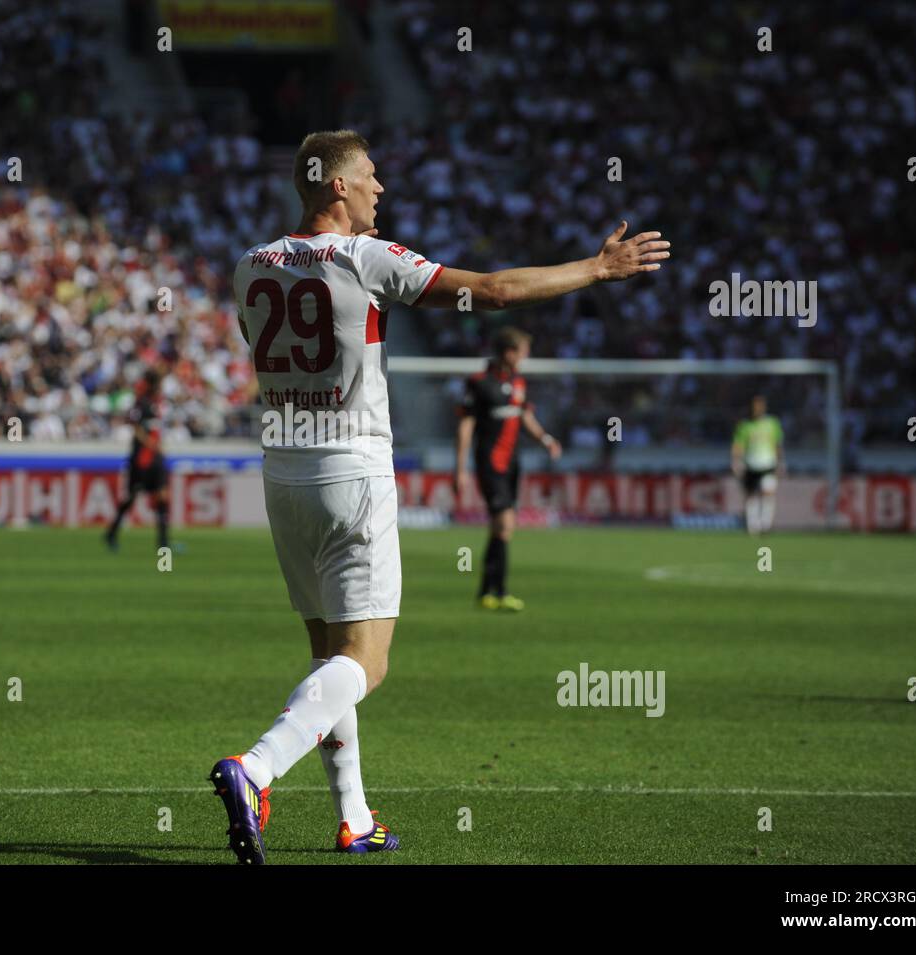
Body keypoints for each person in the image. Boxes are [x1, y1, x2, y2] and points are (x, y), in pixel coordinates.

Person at [212, 129, 669, 864]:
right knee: (368, 660)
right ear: (335, 186)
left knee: (329, 656)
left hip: (284, 474)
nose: (380, 189)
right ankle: (256, 767)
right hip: (350, 469)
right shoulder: (364, 258)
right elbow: (489, 292)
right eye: (369, 176)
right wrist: (594, 268)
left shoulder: (248, 265)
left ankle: (354, 816)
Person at [455, 328, 562, 611]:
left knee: (501, 528)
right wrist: (460, 469)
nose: (525, 357)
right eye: (523, 351)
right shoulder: (479, 383)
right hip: (489, 462)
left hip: (513, 463)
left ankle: (485, 592)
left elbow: (525, 416)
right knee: (504, 524)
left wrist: (546, 440)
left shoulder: (518, 382)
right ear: (508, 353)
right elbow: (466, 426)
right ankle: (500, 592)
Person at [105, 369, 170, 552]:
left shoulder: (157, 404)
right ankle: (112, 533)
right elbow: (135, 427)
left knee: (163, 497)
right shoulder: (141, 402)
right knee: (132, 497)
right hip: (141, 458)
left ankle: (163, 543)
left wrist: (159, 447)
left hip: (155, 456)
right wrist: (150, 443)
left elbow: (155, 429)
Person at [732, 395, 785, 535]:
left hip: (768, 464)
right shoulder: (745, 425)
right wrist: (736, 462)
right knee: (751, 495)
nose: (757, 409)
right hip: (751, 464)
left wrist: (781, 463)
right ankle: (753, 526)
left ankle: (765, 524)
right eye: (755, 406)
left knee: (768, 493)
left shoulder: (772, 423)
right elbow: (738, 446)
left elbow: (777, 444)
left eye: (759, 406)